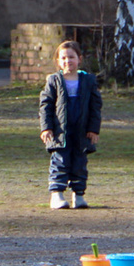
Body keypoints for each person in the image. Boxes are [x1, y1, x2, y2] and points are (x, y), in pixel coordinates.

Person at [38, 40, 102, 210]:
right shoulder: (54, 80)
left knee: (80, 162)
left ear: (79, 59)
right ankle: (57, 194)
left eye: (72, 57)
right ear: (58, 61)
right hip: (60, 131)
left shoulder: (88, 80)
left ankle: (78, 195)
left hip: (81, 130)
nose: (68, 61)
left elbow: (95, 106)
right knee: (60, 161)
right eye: (64, 58)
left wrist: (93, 129)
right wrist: (46, 127)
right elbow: (46, 106)